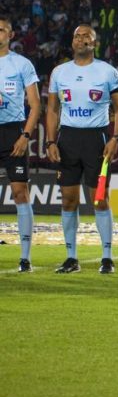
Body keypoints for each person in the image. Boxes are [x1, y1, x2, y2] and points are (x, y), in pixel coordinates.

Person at [46, 24, 118, 274]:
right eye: (77, 36)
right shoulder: (59, 72)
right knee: (68, 200)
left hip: (97, 141)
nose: (81, 40)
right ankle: (71, 258)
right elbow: (52, 110)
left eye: (86, 37)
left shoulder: (107, 72)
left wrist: (116, 138)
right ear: (72, 42)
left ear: (94, 43)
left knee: (99, 199)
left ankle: (107, 257)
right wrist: (50, 141)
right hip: (68, 139)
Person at [0, 16, 42, 272]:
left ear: (11, 34)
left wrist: (25, 136)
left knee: (20, 193)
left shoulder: (22, 64)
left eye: (2, 29)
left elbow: (36, 104)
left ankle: (25, 257)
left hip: (12, 132)